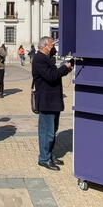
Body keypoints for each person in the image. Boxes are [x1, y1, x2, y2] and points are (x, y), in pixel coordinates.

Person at [32, 36, 73, 171]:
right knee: (47, 132)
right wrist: (65, 68)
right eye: (51, 45)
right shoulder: (39, 59)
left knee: (53, 131)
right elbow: (51, 76)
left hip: (52, 101)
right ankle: (44, 159)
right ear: (45, 46)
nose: (53, 48)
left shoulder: (46, 58)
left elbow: (53, 73)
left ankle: (49, 155)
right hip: (46, 102)